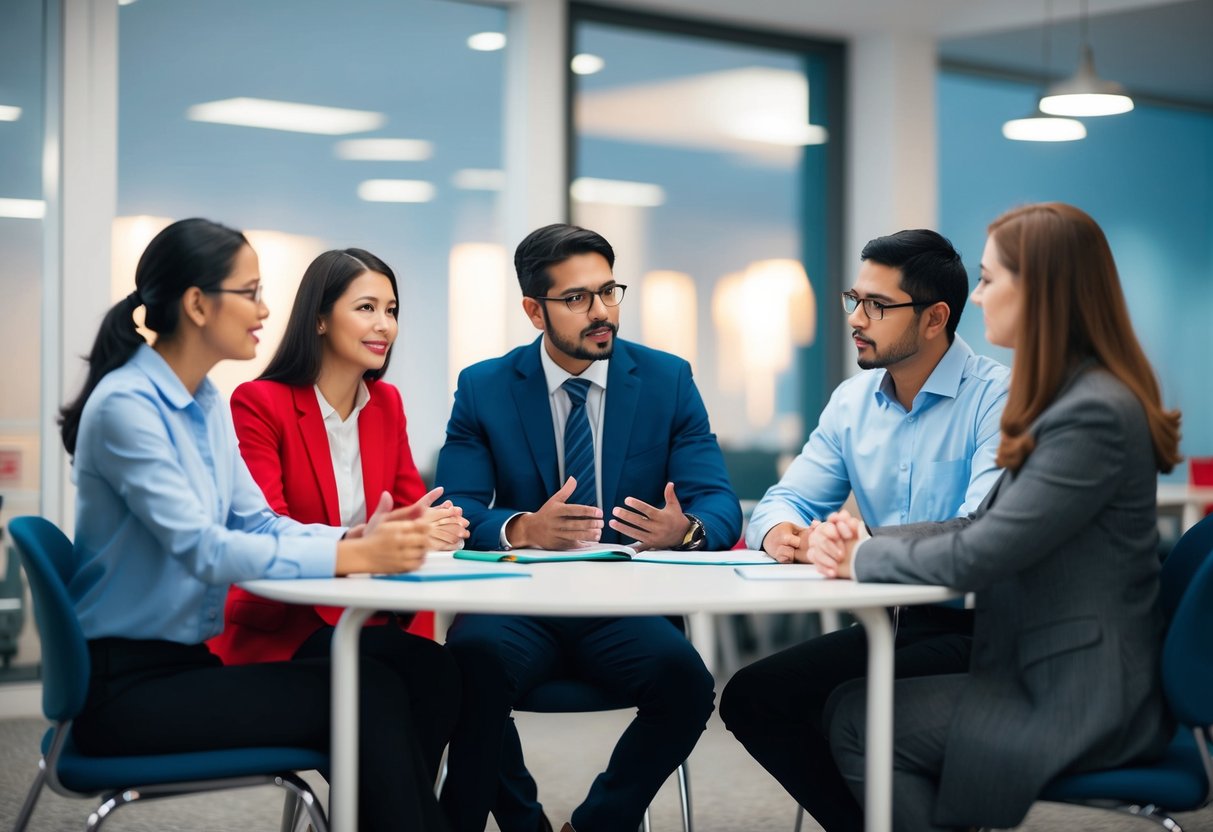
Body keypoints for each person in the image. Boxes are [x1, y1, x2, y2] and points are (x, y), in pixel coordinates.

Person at [61, 219, 455, 831]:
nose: (266, 310)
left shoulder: (204, 403)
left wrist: (356, 541)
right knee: (370, 694)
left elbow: (260, 523)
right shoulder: (127, 407)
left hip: (185, 666)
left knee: (411, 679)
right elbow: (205, 549)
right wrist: (347, 557)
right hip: (124, 691)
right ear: (197, 304)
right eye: (249, 292)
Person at [808, 202, 1180, 831]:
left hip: (1082, 691)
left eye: (988, 279)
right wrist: (865, 542)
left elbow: (985, 552)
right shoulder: (1069, 396)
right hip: (1051, 664)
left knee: (856, 717)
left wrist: (862, 555)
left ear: (1040, 291)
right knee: (848, 702)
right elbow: (981, 525)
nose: (976, 299)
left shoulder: (1089, 412)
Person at [434, 223, 742, 832]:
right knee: (465, 667)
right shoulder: (485, 386)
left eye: (609, 292)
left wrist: (684, 531)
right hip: (517, 603)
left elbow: (721, 506)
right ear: (534, 309)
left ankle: (597, 825)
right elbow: (457, 508)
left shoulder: (667, 380)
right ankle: (525, 825)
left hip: (624, 605)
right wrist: (521, 529)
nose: (602, 312)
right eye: (577, 299)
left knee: (686, 684)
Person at [719, 229, 1010, 831]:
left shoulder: (999, 398)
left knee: (844, 706)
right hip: (892, 620)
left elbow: (978, 528)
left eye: (878, 305)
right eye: (855, 298)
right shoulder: (851, 402)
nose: (857, 318)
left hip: (985, 628)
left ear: (935, 318)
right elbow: (784, 500)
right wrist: (784, 536)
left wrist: (861, 545)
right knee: (752, 697)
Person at [205, 247, 467, 781]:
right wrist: (360, 539)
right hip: (286, 622)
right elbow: (264, 524)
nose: (384, 325)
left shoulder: (386, 403)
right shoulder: (261, 402)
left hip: (369, 615)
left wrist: (434, 529)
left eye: (391, 310)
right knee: (398, 687)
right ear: (320, 318)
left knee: (449, 676)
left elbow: (410, 508)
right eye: (366, 307)